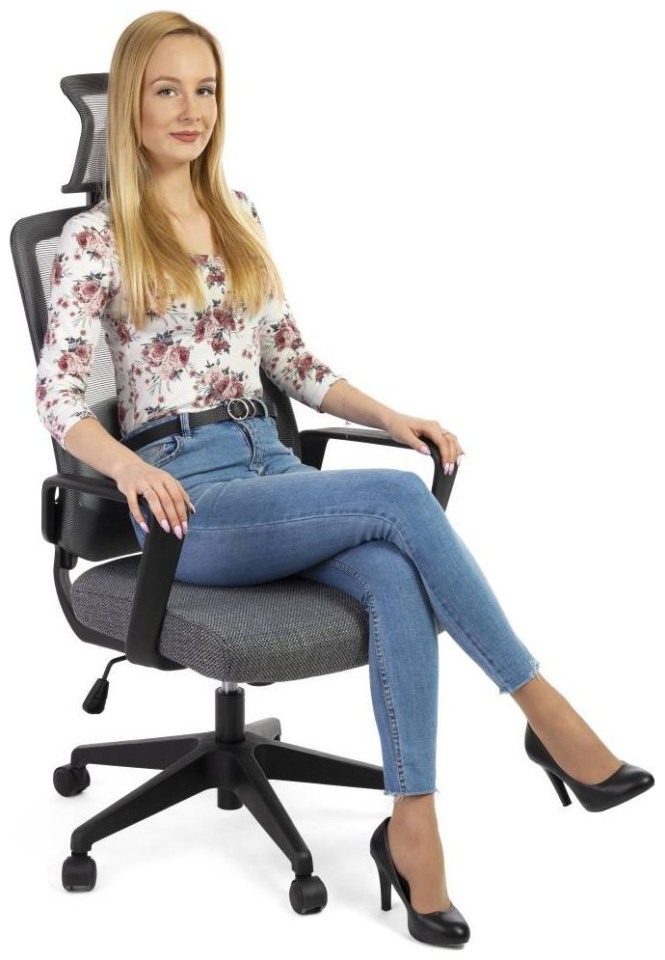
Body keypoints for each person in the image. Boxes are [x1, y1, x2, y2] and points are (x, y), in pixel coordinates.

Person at [35, 11, 654, 947]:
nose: (191, 109)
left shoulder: (239, 214)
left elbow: (289, 359)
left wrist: (388, 414)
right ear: (126, 104)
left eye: (205, 89)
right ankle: (545, 713)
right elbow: (58, 398)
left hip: (270, 468)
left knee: (395, 572)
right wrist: (125, 469)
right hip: (186, 496)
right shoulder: (95, 237)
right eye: (167, 90)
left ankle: (412, 828)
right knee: (398, 498)